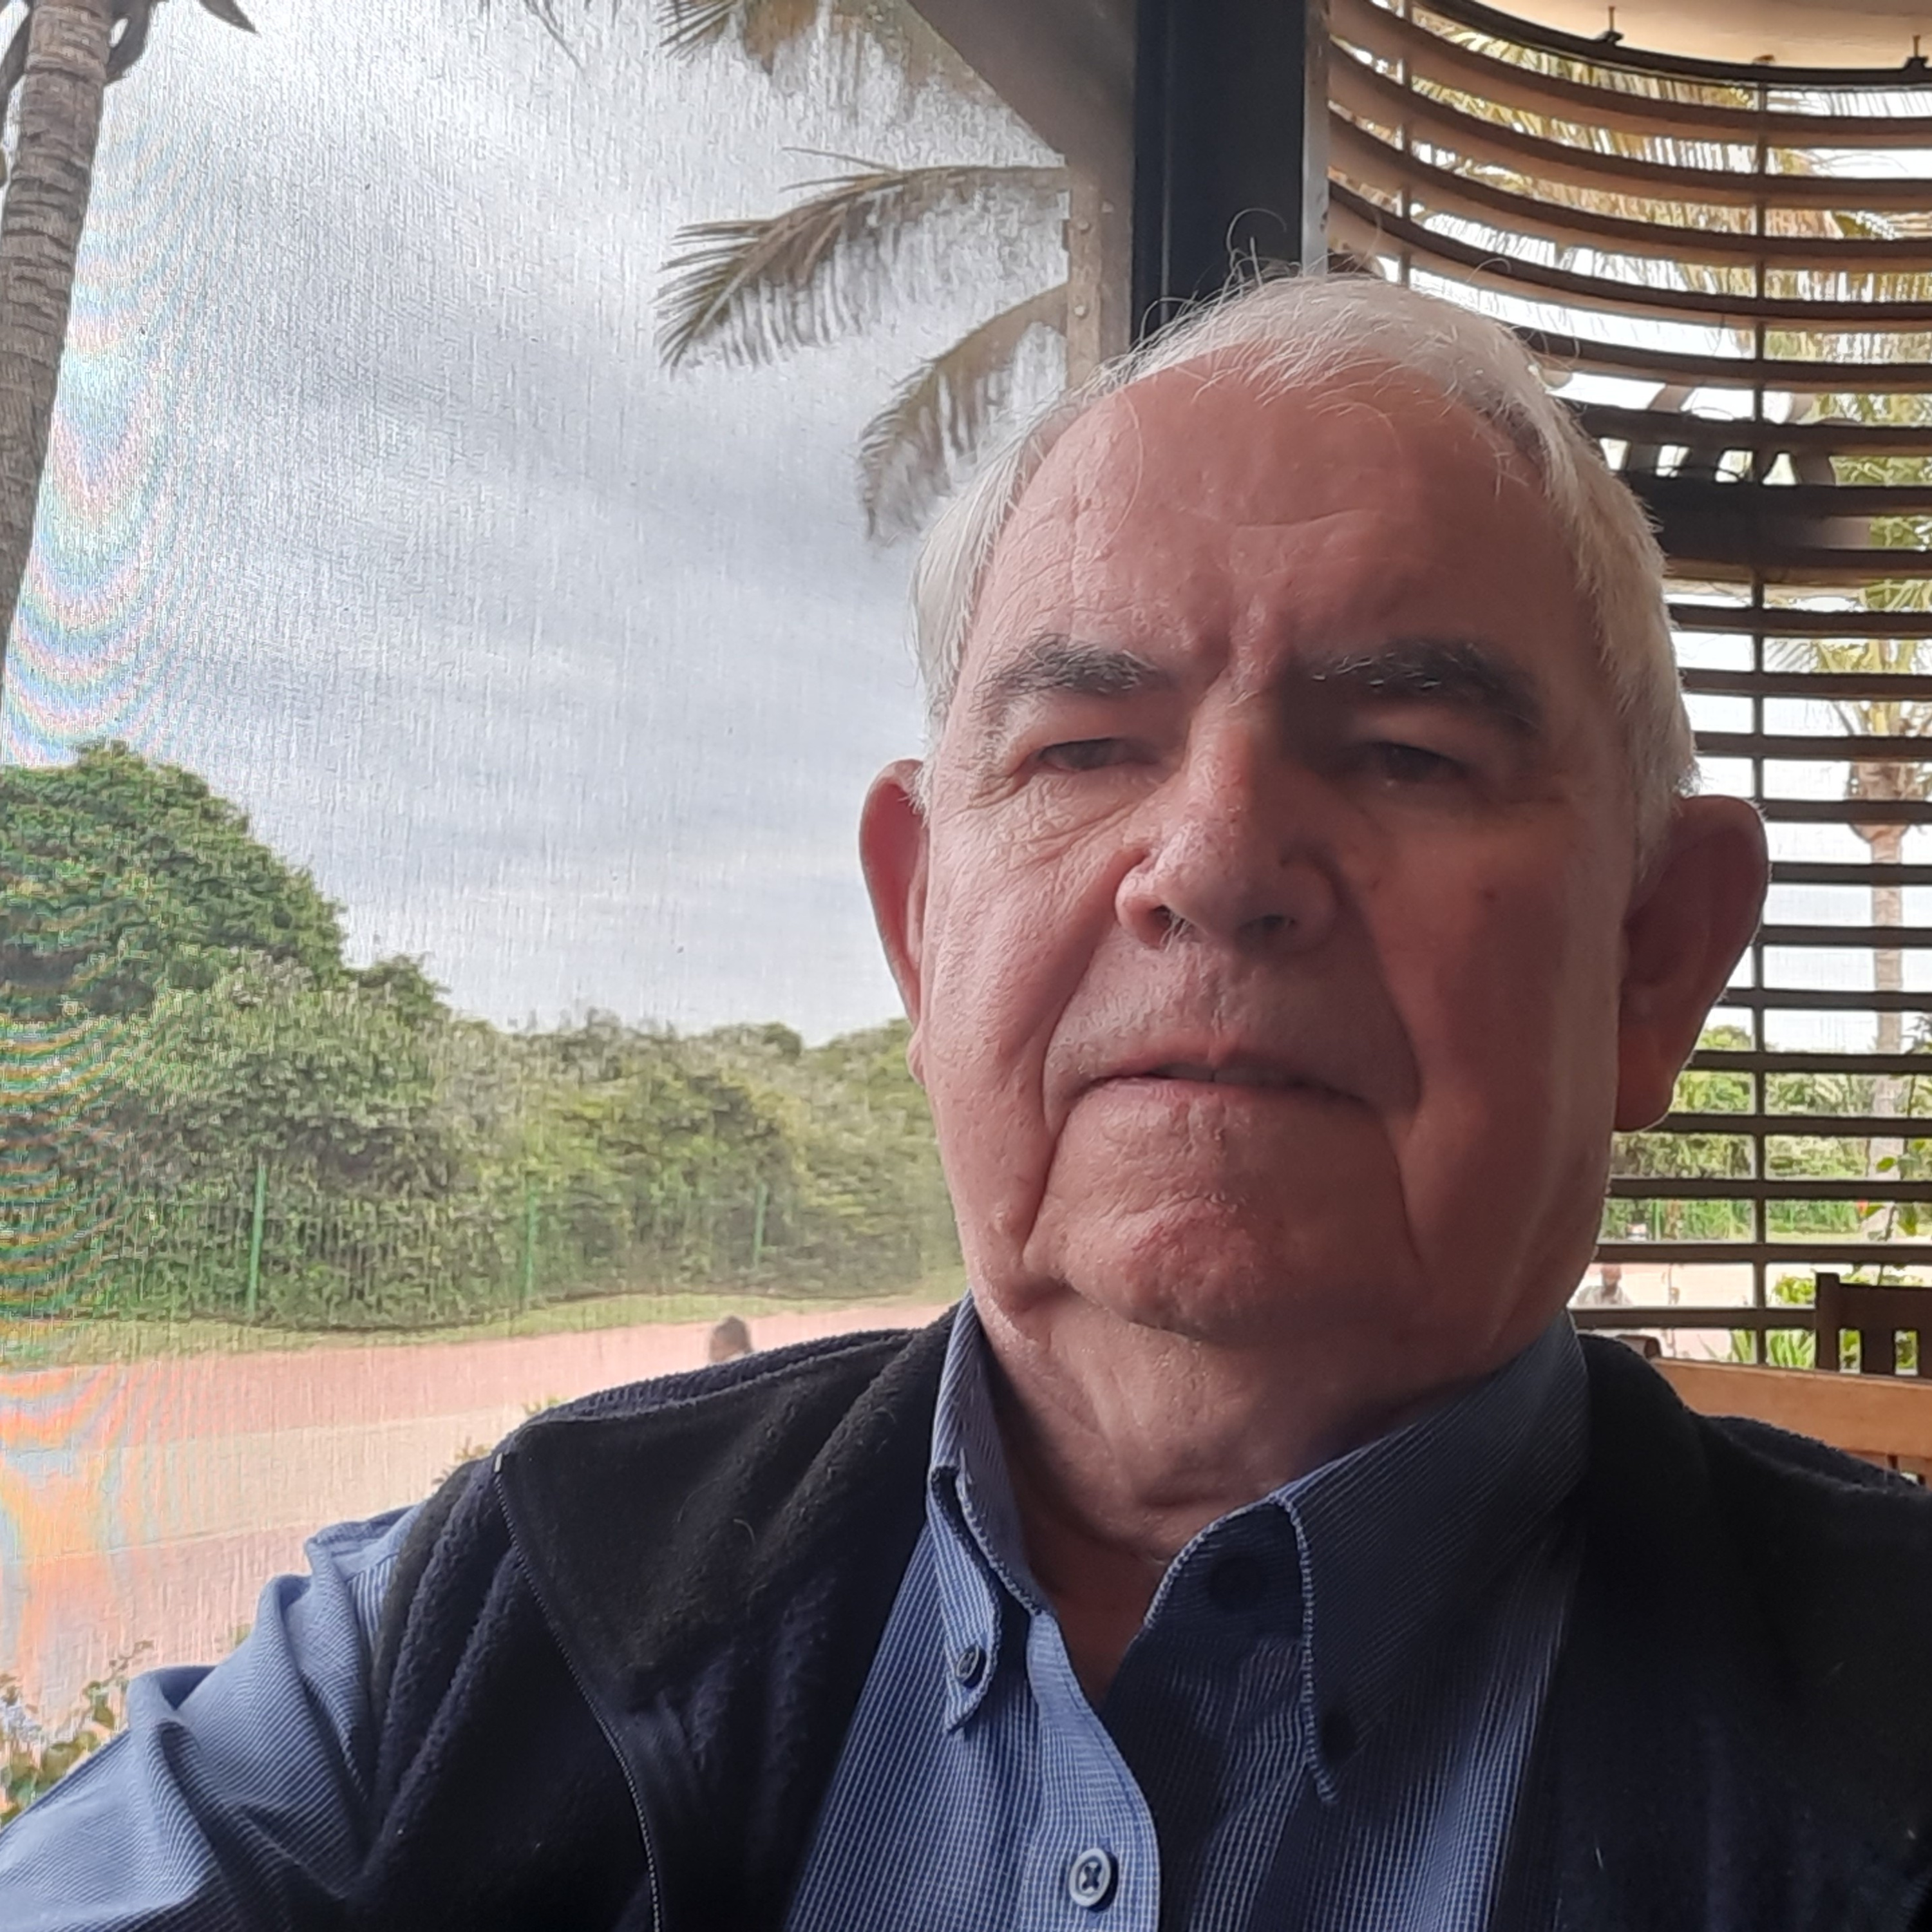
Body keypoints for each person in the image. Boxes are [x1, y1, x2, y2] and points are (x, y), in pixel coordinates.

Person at [5, 272, 1931, 1932]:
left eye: (1410, 751)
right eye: (1085, 747)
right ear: (922, 927)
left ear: (1657, 957)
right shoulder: (478, 1625)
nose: (1213, 858)